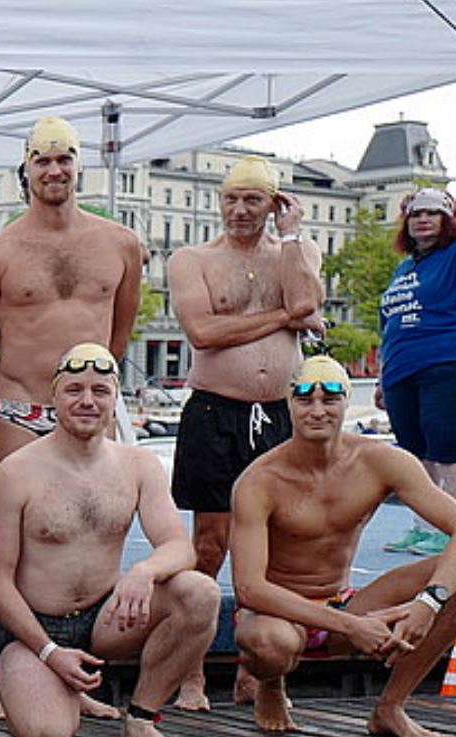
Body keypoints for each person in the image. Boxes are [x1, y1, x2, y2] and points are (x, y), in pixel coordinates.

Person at [0, 116, 154, 718]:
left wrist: (92, 398)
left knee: (96, 537)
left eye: (64, 159)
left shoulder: (119, 243)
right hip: (23, 407)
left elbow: (119, 332)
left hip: (93, 407)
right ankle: (4, 679)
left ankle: (79, 680)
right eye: (42, 161)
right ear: (26, 171)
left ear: (78, 168)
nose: (54, 170)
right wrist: (18, 396)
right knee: (8, 553)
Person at [232, 356, 456, 737]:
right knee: (271, 644)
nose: (317, 410)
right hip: (279, 613)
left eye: (329, 399)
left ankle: (390, 707)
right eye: (305, 399)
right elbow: (249, 589)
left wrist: (428, 603)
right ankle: (270, 684)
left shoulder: (380, 461)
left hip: (344, 602)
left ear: (346, 402)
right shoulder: (259, 481)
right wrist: (353, 627)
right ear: (289, 405)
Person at [0, 343, 220, 737]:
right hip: (37, 627)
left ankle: (142, 721)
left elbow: (179, 546)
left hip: (106, 617)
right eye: (74, 390)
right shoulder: (15, 473)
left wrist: (144, 571)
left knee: (200, 593)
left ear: (115, 398)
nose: (87, 401)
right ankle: (54, 685)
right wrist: (49, 653)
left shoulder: (139, 465)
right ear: (54, 397)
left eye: (100, 390)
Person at [164, 154, 323, 703]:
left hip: (278, 415)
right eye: (230, 198)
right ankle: (189, 671)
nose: (238, 209)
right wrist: (284, 318)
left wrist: (294, 233)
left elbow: (308, 300)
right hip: (215, 411)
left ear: (273, 204)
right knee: (209, 545)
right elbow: (204, 332)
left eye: (252, 199)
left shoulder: (295, 254)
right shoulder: (192, 260)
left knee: (273, 550)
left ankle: (253, 669)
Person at [376, 177, 456, 556]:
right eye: (416, 213)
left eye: (433, 213)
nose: (423, 219)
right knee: (414, 455)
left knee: (447, 448)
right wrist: (382, 378)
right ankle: (423, 525)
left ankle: (455, 529)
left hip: (446, 359)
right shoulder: (403, 270)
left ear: (448, 220)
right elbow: (389, 325)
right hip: (401, 369)